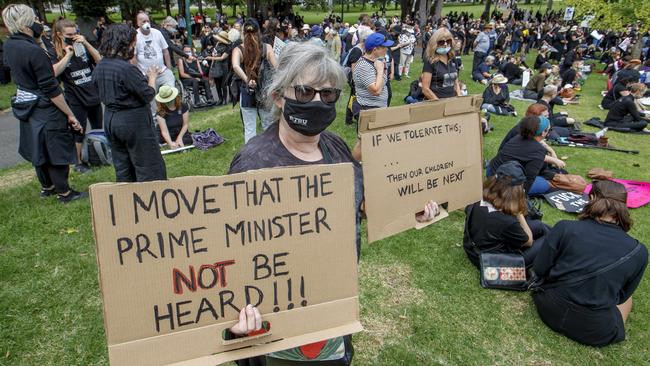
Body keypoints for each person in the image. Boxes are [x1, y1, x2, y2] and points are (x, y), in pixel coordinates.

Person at [227, 41, 439, 365]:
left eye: (327, 95)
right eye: (305, 92)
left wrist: (411, 210)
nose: (317, 101)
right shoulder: (254, 163)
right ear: (279, 97)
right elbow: (230, 247)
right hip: (276, 316)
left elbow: (359, 205)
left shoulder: (335, 147)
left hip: (334, 299)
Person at [532, 180, 648, 347]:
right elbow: (622, 297)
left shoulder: (565, 227)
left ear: (591, 198)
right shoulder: (639, 251)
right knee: (629, 300)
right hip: (595, 331)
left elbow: (540, 268)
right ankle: (616, 324)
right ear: (623, 206)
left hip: (549, 308)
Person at [2, 4, 85, 202]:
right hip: (44, 105)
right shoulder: (33, 51)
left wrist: (38, 41)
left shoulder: (10, 45)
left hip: (27, 103)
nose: (39, 22)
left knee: (38, 147)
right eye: (35, 19)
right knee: (54, 148)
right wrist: (69, 114)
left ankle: (47, 187)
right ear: (26, 24)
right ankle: (64, 192)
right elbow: (50, 87)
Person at [94, 24, 166, 182]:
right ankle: (151, 201)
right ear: (126, 42)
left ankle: (127, 201)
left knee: (123, 165)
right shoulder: (126, 69)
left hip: (111, 119)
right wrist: (152, 77)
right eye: (134, 42)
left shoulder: (101, 65)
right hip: (132, 120)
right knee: (148, 165)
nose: (135, 46)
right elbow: (148, 94)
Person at [464, 161, 548, 268]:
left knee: (539, 225)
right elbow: (529, 241)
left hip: (473, 248)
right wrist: (518, 212)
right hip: (493, 262)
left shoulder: (478, 202)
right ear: (514, 192)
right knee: (548, 240)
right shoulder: (507, 221)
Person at [50, 19, 103, 174]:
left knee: (98, 127)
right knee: (78, 131)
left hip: (92, 93)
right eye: (69, 34)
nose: (73, 37)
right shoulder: (56, 51)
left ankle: (98, 155)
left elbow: (99, 60)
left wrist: (85, 43)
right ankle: (79, 162)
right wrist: (67, 55)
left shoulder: (82, 45)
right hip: (75, 97)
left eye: (75, 33)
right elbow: (53, 73)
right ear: (59, 34)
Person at [231, 18, 277, 143]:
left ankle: (250, 156)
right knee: (268, 126)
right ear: (259, 32)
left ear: (243, 32)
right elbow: (276, 67)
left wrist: (247, 79)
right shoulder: (267, 47)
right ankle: (269, 152)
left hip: (247, 91)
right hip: (264, 91)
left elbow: (235, 66)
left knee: (249, 128)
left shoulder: (238, 49)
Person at [489, 115, 551, 196]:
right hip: (503, 184)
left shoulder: (518, 137)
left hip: (491, 172)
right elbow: (529, 179)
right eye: (549, 130)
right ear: (543, 133)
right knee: (544, 184)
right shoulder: (539, 150)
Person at [352, 32, 392, 116]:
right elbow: (376, 91)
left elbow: (380, 84)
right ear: (375, 49)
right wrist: (381, 71)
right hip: (368, 109)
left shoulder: (377, 62)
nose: (387, 49)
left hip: (376, 108)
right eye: (384, 47)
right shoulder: (364, 66)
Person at [134, 12, 175, 92]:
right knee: (151, 99)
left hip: (162, 72)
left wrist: (169, 69)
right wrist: (138, 74)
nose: (146, 23)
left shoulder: (157, 33)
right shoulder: (135, 36)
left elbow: (165, 51)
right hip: (146, 75)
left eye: (148, 21)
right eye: (144, 21)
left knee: (170, 93)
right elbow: (133, 57)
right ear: (138, 23)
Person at [421, 28, 461, 101]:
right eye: (441, 42)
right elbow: (425, 89)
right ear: (435, 43)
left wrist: (459, 98)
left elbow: (456, 83)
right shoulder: (430, 61)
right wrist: (439, 103)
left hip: (452, 101)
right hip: (435, 103)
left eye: (448, 41)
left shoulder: (452, 59)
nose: (445, 44)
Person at [206, 30, 231, 105]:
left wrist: (211, 58)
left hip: (223, 66)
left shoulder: (228, 47)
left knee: (223, 84)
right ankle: (220, 99)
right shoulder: (217, 44)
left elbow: (222, 58)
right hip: (215, 65)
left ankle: (224, 99)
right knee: (217, 84)